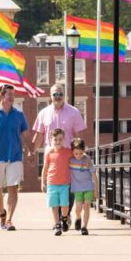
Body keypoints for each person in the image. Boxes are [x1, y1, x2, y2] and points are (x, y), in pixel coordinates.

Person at [31, 82, 86, 230]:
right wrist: (32, 152)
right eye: (55, 94)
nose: (58, 96)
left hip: (69, 157)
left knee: (70, 188)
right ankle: (59, 219)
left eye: (60, 94)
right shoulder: (43, 113)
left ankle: (65, 216)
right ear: (50, 96)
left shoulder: (74, 112)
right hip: (52, 158)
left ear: (64, 95)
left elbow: (79, 135)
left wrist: (82, 154)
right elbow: (38, 135)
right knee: (53, 189)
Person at [0, 84, 29, 231]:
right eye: (9, 94)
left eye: (13, 94)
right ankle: (2, 212)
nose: (12, 97)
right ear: (0, 95)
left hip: (15, 156)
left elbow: (25, 136)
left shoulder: (19, 115)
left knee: (13, 188)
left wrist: (30, 151)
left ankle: (9, 220)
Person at [40, 128, 71, 236]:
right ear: (51, 140)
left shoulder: (68, 152)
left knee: (64, 205)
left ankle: (64, 218)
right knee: (54, 205)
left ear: (64, 139)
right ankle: (57, 225)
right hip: (51, 183)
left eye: (60, 139)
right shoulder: (49, 153)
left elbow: (78, 157)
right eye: (55, 139)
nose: (58, 142)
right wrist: (43, 182)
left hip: (64, 184)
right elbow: (45, 168)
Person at [69, 138, 98, 235]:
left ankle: (84, 227)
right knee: (78, 209)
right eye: (76, 153)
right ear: (72, 152)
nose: (78, 156)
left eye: (81, 153)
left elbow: (94, 175)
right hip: (77, 188)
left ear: (84, 151)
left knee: (86, 207)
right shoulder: (70, 160)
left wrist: (96, 190)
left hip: (88, 187)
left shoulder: (87, 160)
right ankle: (78, 217)